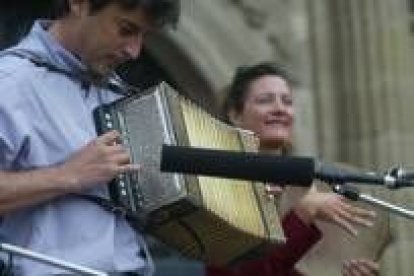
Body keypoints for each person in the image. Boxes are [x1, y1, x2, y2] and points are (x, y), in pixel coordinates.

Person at [0, 0, 179, 275]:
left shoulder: (120, 95)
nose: (135, 51)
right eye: (126, 29)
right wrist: (68, 175)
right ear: (79, 4)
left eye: (144, 36)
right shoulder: (8, 83)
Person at [206, 62, 379, 275]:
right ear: (235, 114)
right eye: (265, 100)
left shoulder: (305, 184)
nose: (280, 109)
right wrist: (303, 213)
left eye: (287, 101)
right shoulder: (218, 188)